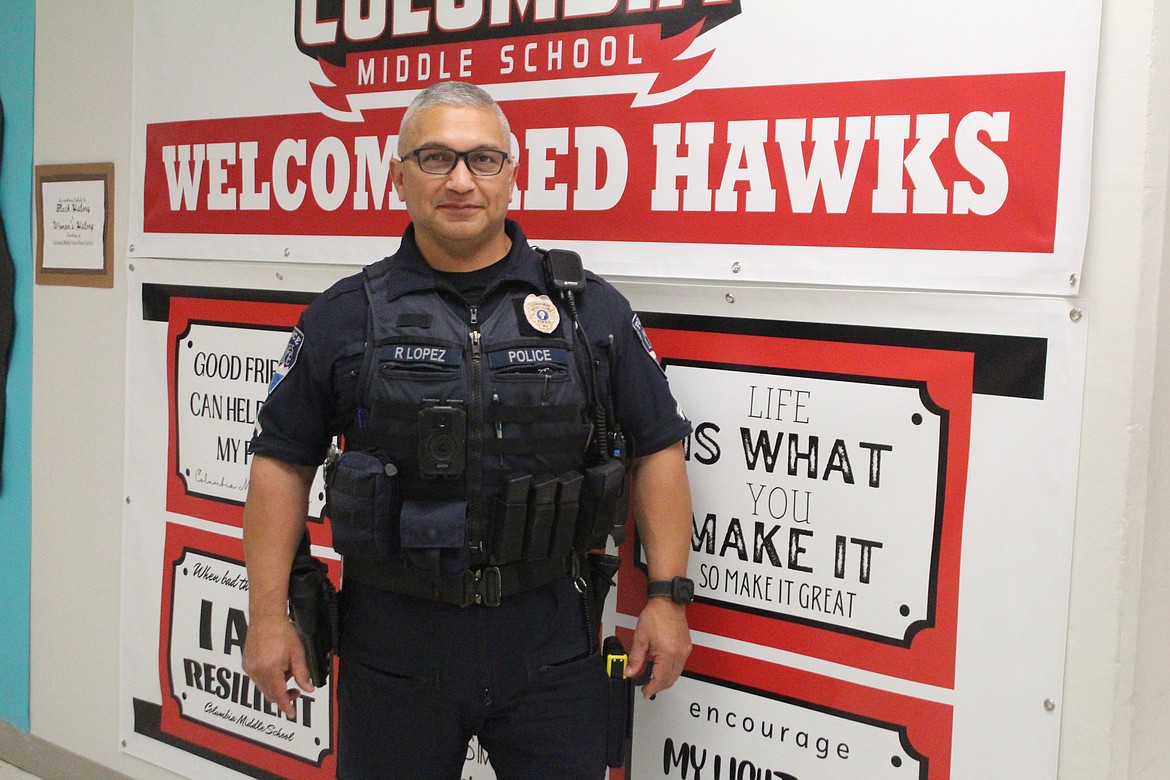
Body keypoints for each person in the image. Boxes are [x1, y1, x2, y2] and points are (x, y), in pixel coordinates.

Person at [242, 81, 694, 779]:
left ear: (513, 174)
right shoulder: (345, 317)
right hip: (395, 643)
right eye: (435, 159)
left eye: (483, 160)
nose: (460, 180)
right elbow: (281, 462)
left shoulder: (586, 311)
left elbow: (657, 445)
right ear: (398, 176)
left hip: (550, 637)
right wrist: (268, 616)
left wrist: (666, 597)